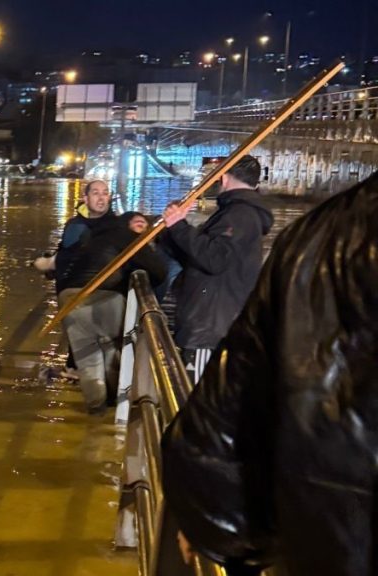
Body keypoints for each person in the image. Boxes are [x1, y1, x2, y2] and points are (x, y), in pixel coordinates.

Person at [161, 173, 378, 576]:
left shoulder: (328, 236)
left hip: (339, 547)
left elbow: (231, 414)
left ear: (224, 176)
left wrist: (209, 519)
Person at [161, 155, 274, 383]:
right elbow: (200, 257)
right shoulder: (240, 214)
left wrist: (180, 228)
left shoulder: (238, 215)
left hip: (210, 328)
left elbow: (215, 259)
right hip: (214, 323)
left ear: (223, 178)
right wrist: (173, 231)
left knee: (195, 395)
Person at [54, 183, 165, 413]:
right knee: (113, 351)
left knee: (88, 361)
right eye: (96, 193)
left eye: (105, 193)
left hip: (70, 299)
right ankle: (115, 417)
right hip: (106, 299)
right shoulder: (128, 236)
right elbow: (160, 272)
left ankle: (95, 413)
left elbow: (64, 265)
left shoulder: (86, 233)